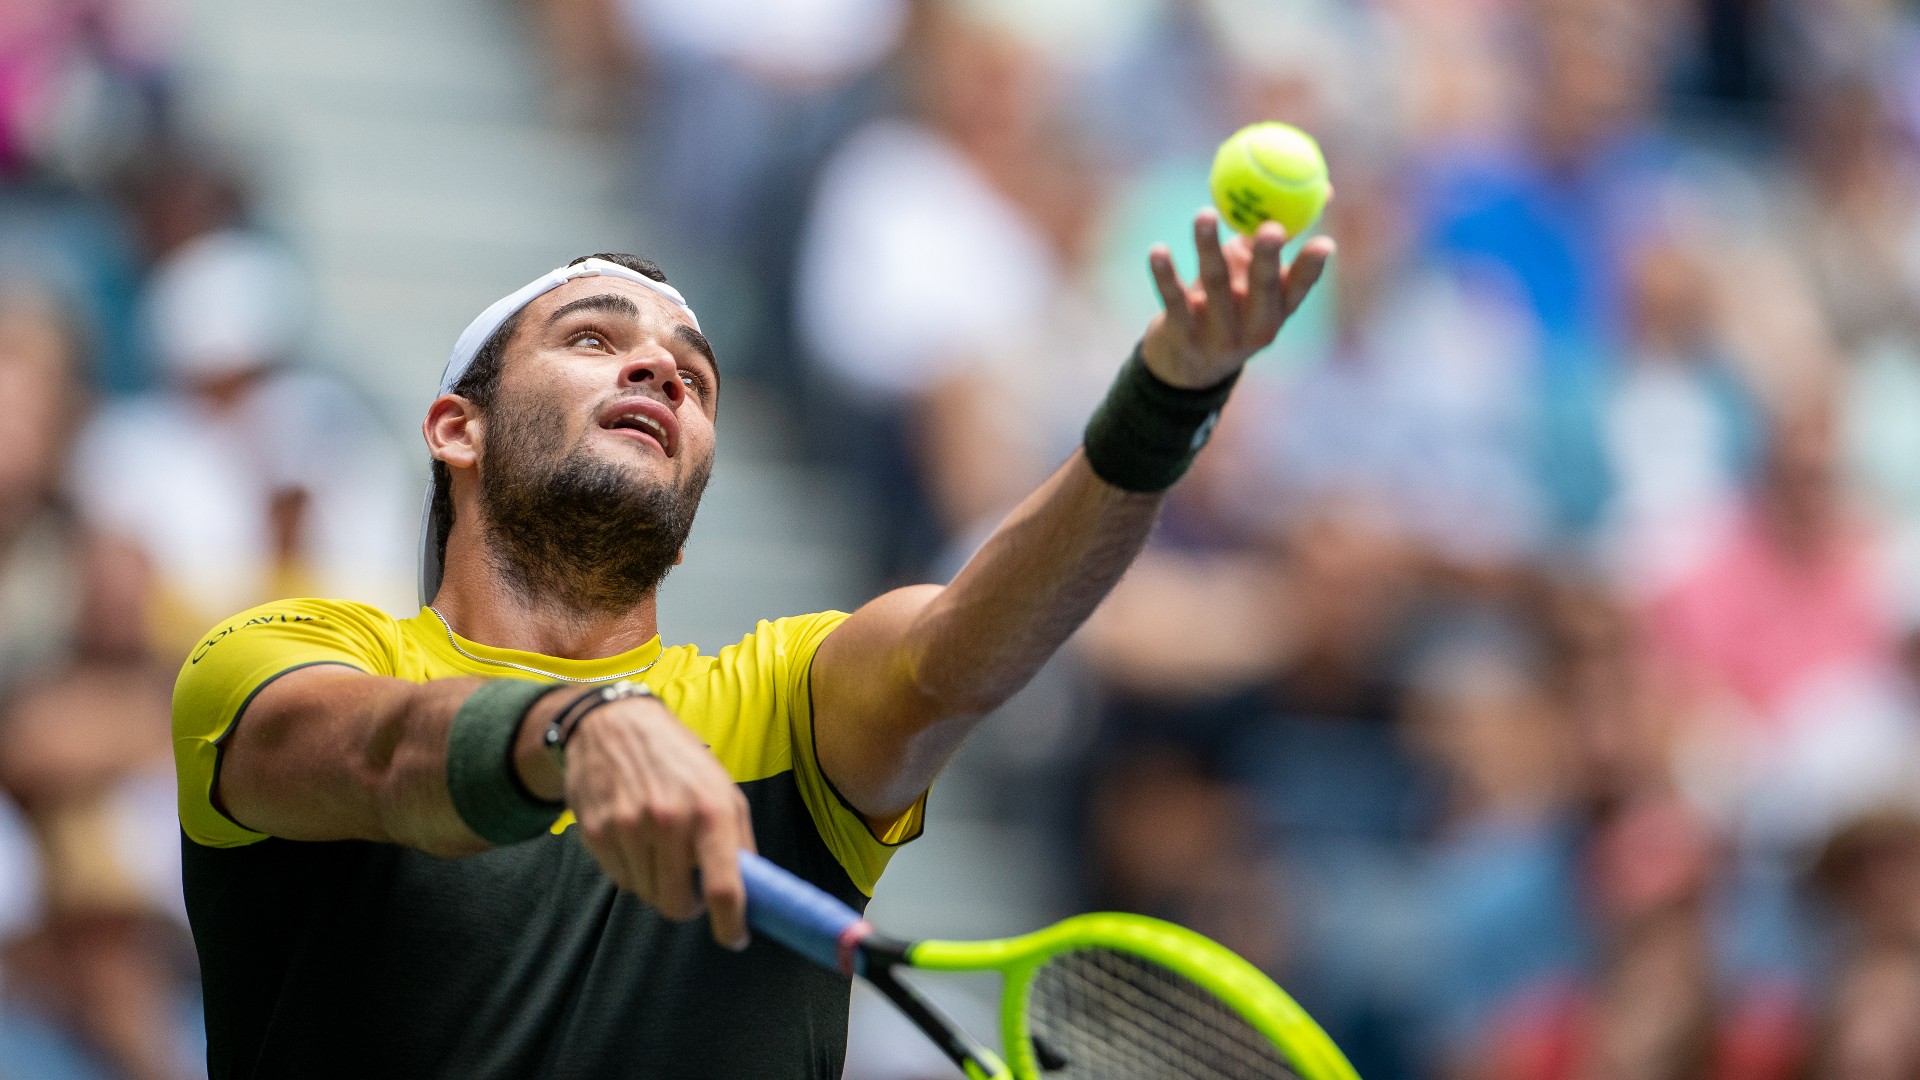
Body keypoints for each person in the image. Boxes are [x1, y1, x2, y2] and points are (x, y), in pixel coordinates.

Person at [170, 217, 1333, 1077]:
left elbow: (964, 649)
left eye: (694, 375)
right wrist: (577, 733)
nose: (661, 369)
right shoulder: (287, 654)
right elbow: (373, 755)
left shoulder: (785, 705)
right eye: (592, 337)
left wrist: (1166, 401)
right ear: (454, 429)